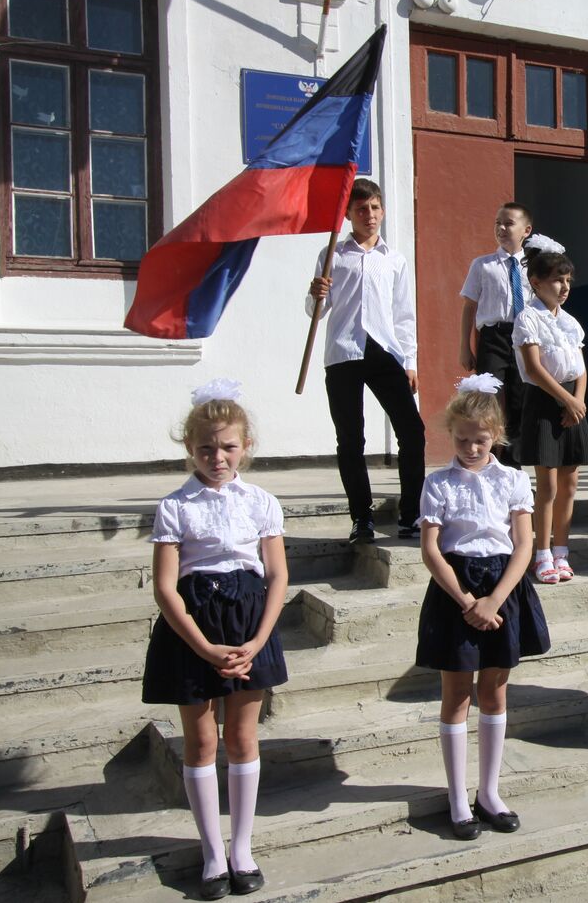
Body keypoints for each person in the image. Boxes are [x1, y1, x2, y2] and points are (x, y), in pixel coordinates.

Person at [142, 380, 288, 898]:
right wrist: (203, 647)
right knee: (202, 740)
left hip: (249, 624)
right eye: (206, 447)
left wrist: (259, 640)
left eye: (228, 446)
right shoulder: (176, 506)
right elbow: (165, 587)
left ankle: (241, 847)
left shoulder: (262, 502)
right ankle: (210, 852)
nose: (218, 456)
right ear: (190, 448)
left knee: (243, 738)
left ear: (246, 446)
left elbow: (277, 577)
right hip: (195, 628)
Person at [416, 377, 551, 840]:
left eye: (480, 438)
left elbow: (524, 543)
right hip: (457, 587)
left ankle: (489, 792)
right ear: (450, 434)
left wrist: (495, 599)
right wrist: (467, 601)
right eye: (462, 439)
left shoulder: (513, 479)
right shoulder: (437, 483)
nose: (471, 447)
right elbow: (432, 550)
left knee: (495, 689)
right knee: (456, 694)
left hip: (502, 588)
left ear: (496, 434)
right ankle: (457, 799)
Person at [307, 177, 425, 544]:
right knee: (351, 438)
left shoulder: (394, 259)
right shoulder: (333, 254)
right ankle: (362, 518)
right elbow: (315, 311)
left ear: (382, 210)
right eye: (361, 209)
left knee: (412, 431)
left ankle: (412, 515)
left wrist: (409, 360)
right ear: (348, 214)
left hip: (385, 351)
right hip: (343, 352)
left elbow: (404, 313)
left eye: (374, 207)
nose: (369, 215)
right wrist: (316, 294)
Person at [512, 251, 588, 584]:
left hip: (572, 405)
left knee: (569, 483)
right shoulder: (528, 319)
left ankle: (562, 551)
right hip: (545, 402)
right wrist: (565, 400)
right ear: (536, 283)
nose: (564, 287)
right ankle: (542, 553)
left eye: (568, 281)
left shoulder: (570, 322)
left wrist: (578, 402)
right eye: (557, 280)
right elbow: (533, 368)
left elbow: (580, 368)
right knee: (546, 485)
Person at [460, 202, 535, 468]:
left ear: (526, 230)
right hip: (494, 338)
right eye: (497, 223)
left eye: (509, 223)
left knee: (519, 401)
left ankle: (512, 468)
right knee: (487, 399)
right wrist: (465, 346)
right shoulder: (483, 265)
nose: (501, 228)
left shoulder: (533, 266)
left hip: (524, 338)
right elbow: (469, 307)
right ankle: (483, 461)